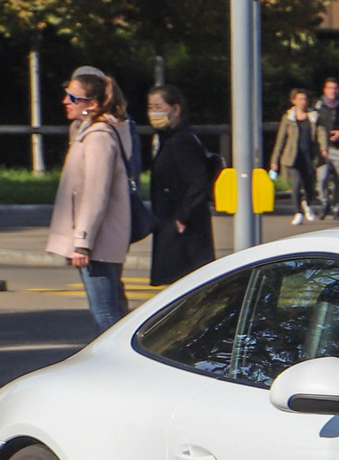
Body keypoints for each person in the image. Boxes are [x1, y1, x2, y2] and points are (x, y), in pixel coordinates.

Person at [47, 67, 136, 331]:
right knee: (110, 311)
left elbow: (96, 194)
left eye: (73, 98)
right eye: (67, 95)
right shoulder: (88, 133)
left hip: (98, 241)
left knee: (105, 315)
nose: (66, 102)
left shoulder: (99, 137)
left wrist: (82, 242)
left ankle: (115, 369)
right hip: (96, 239)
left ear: (92, 105)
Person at [145, 84, 219, 286]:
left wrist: (182, 217)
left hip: (183, 231)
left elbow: (198, 181)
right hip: (172, 224)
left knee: (184, 287)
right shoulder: (168, 140)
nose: (153, 112)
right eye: (150, 107)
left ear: (175, 109)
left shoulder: (181, 141)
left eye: (159, 106)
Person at [270, 87, 318, 223]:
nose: (303, 102)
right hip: (293, 157)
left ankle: (308, 204)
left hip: (309, 156)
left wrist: (323, 149)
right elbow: (281, 139)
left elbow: (320, 135)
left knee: (310, 186)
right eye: (300, 99)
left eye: (305, 99)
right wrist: (275, 159)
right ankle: (298, 211)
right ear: (294, 101)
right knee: (296, 184)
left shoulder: (313, 117)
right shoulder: (288, 118)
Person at [311, 77, 339, 220]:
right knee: (322, 177)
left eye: (335, 88)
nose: (333, 91)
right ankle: (325, 202)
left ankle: (337, 207)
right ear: (325, 90)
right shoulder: (318, 106)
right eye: (330, 88)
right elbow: (313, 126)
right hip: (323, 148)